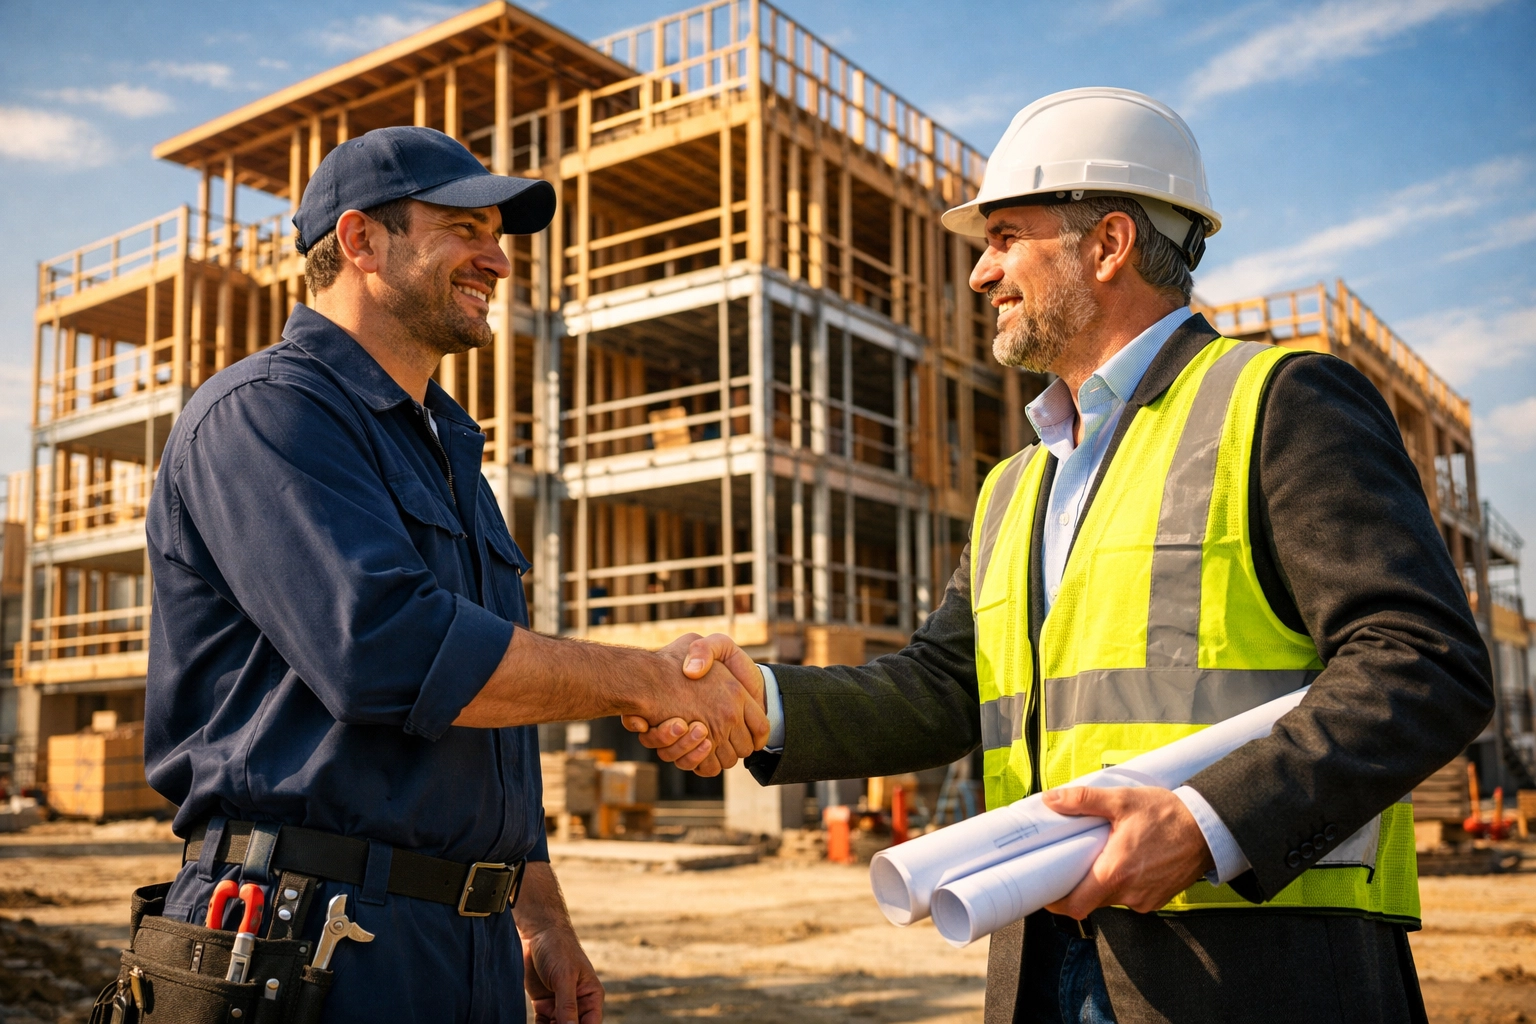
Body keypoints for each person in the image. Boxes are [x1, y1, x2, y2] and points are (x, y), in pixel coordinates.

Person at [629, 89, 1493, 1023]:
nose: (978, 273)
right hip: (1044, 959)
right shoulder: (1017, 484)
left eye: (1005, 237)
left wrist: (1209, 825)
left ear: (1109, 243)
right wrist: (766, 704)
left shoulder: (1278, 404)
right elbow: (947, 686)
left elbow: (1425, 663)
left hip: (1254, 971)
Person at [144, 126, 766, 1024]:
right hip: (303, 935)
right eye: (465, 230)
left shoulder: (449, 451)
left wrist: (538, 916)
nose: (499, 261)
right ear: (361, 241)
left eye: (499, 236)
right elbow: (388, 651)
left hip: (462, 942)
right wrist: (648, 680)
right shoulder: (265, 417)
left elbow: (489, 724)